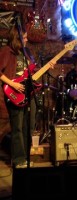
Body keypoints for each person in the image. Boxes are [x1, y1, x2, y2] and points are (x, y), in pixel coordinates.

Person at [0, 24, 37, 168]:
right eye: (25, 37)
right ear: (18, 38)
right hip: (14, 94)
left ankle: (25, 158)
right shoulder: (6, 51)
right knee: (17, 128)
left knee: (28, 126)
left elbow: (31, 71)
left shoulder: (26, 52)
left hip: (27, 94)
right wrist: (13, 84)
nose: (27, 40)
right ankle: (18, 160)